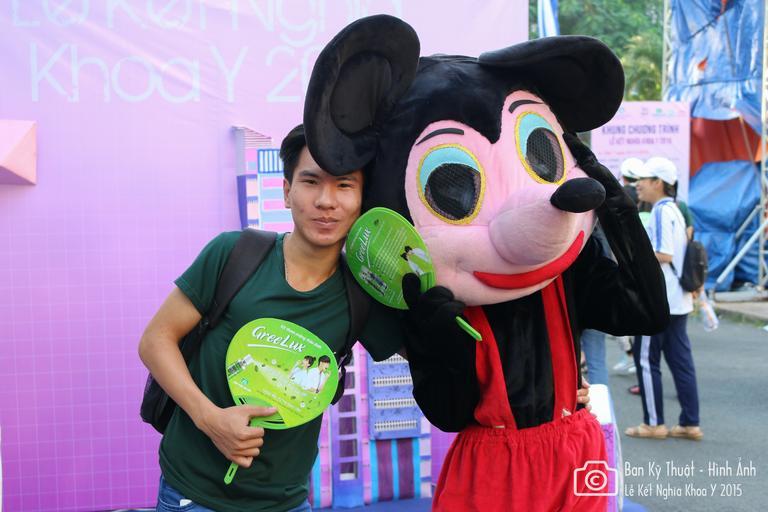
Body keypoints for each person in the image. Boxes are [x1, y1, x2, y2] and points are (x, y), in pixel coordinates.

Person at [138, 124, 404, 511]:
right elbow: (156, 340)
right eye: (310, 182)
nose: (326, 201)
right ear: (286, 191)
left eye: (344, 185)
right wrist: (210, 419)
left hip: (286, 500)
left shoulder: (362, 293)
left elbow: (426, 356)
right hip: (192, 492)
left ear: (363, 199)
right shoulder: (234, 253)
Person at [625, 156, 703, 441]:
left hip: (659, 300)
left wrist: (633, 259)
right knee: (681, 361)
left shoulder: (659, 211)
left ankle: (653, 423)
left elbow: (664, 254)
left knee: (647, 361)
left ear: (658, 183)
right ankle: (690, 423)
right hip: (677, 299)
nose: (638, 185)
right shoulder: (676, 210)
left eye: (643, 180)